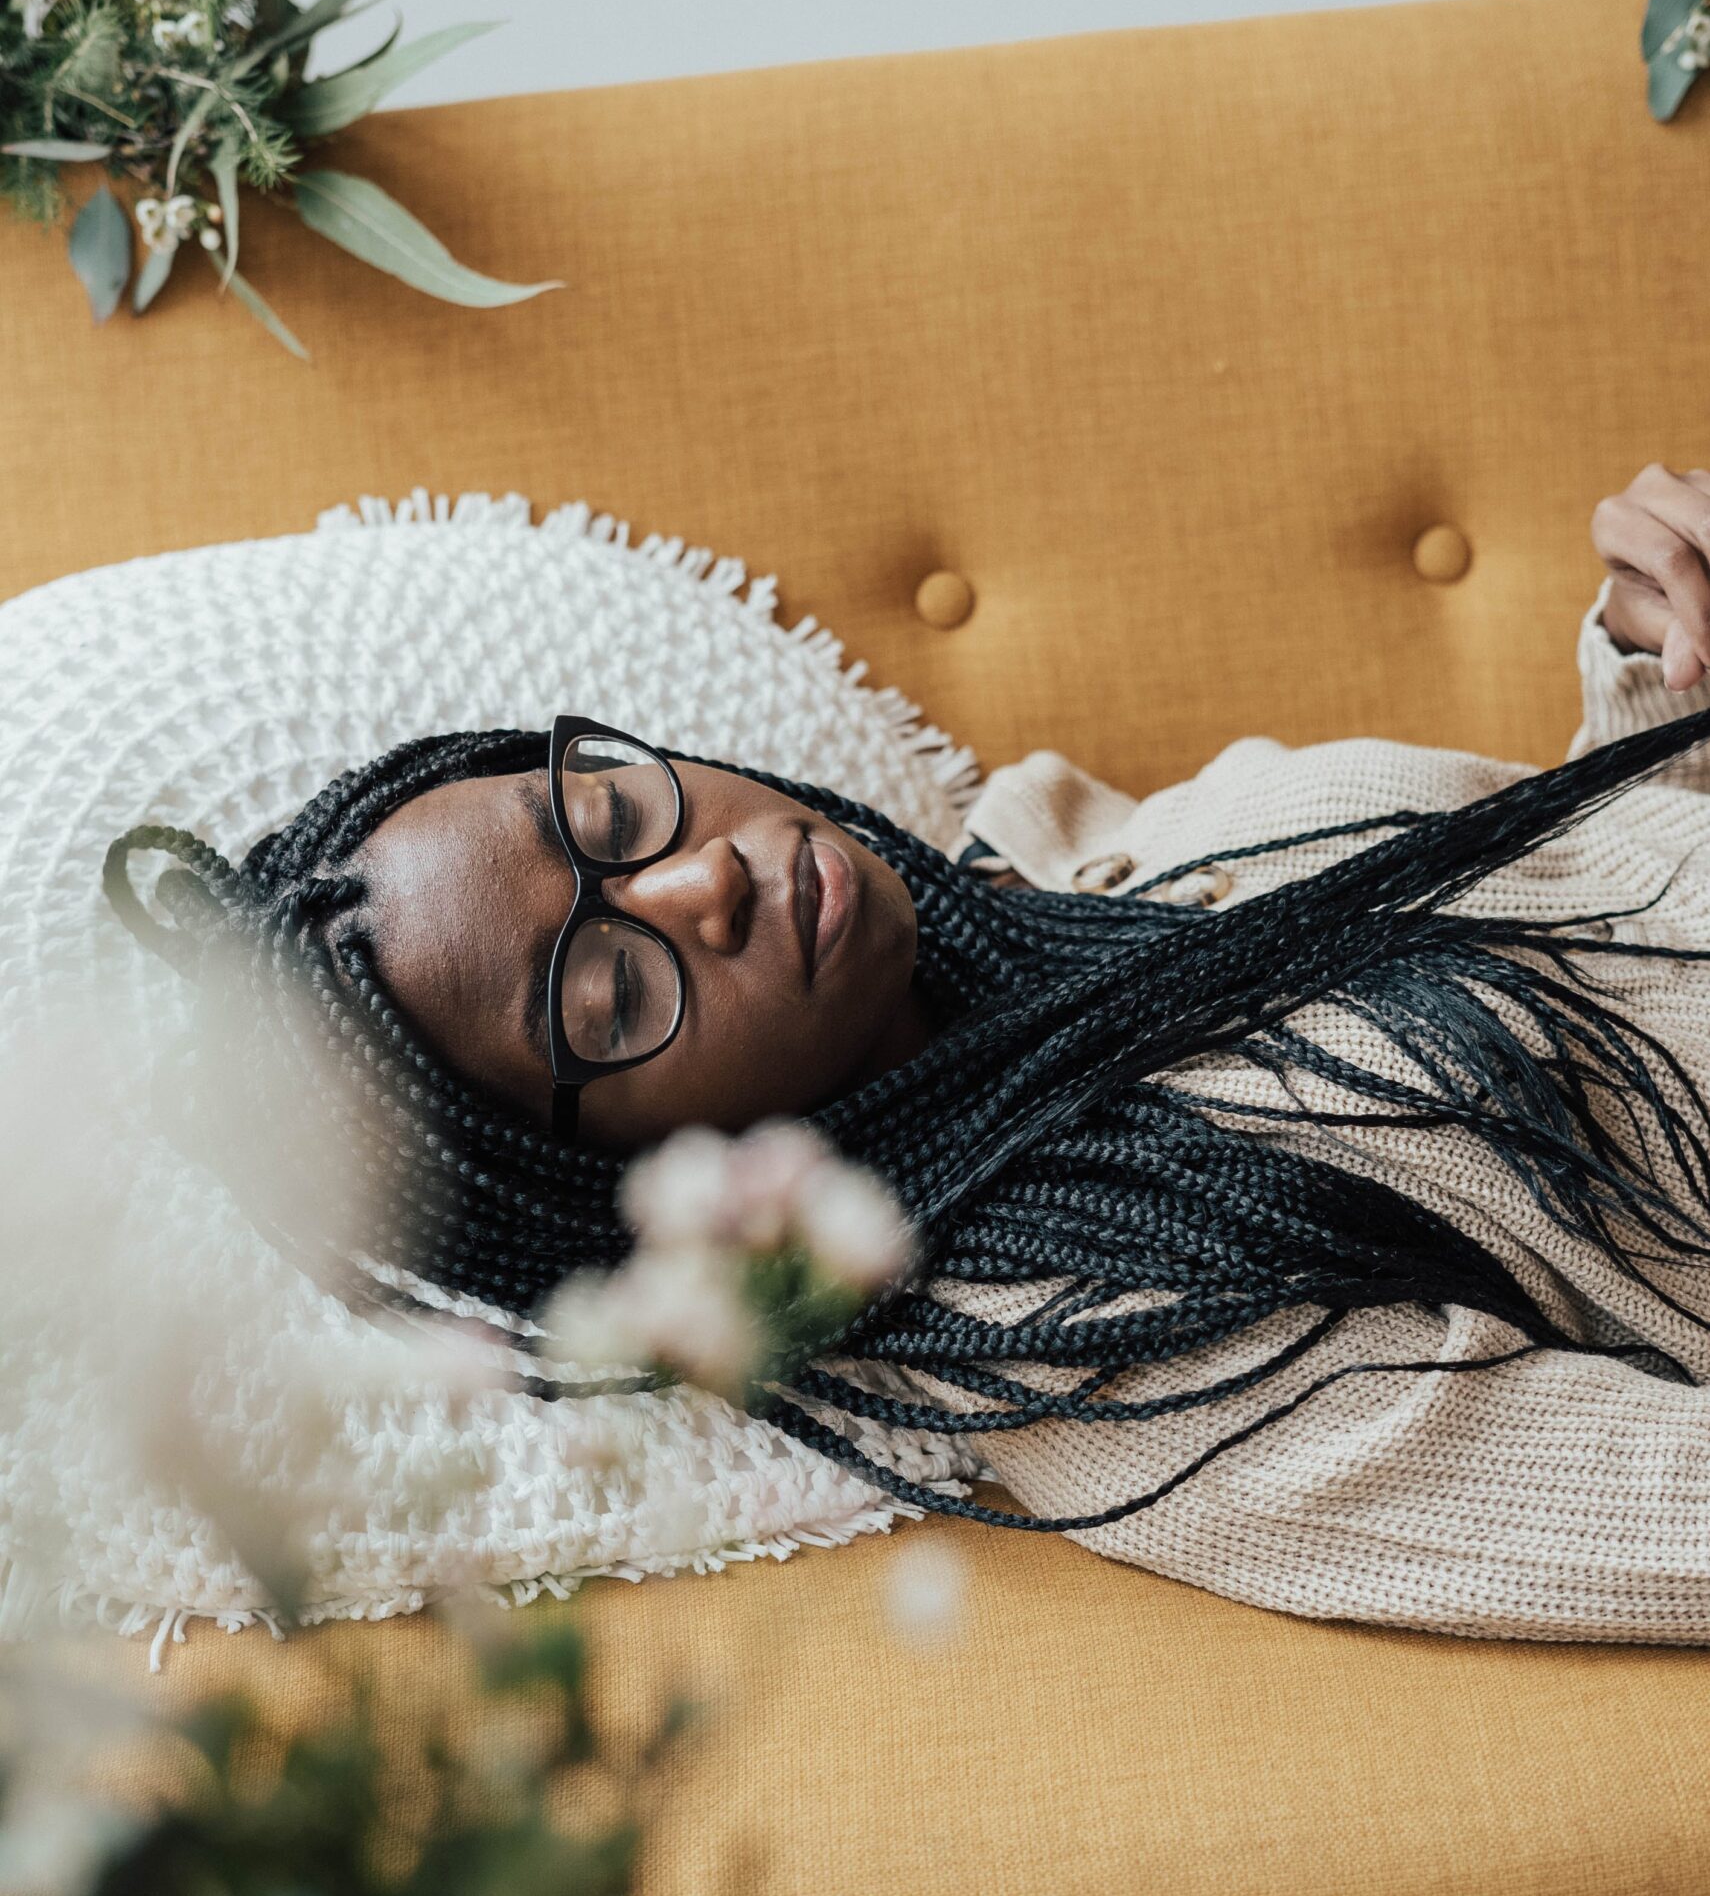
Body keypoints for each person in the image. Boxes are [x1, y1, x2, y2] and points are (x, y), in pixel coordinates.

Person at [104, 463, 1710, 1645]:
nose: (699, 878)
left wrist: (1655, 667)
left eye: (608, 814)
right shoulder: (1098, 1325)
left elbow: (1569, 964)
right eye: (607, 995)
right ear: (622, 1188)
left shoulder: (1052, 869)